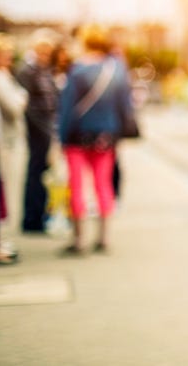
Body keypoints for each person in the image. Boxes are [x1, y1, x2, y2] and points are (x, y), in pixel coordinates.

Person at [57, 24, 133, 254]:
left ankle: (79, 240)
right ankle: (104, 238)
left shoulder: (78, 70)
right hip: (106, 137)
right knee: (104, 185)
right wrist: (119, 133)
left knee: (77, 186)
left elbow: (67, 109)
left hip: (77, 136)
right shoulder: (117, 70)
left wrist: (62, 138)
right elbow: (125, 107)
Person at [17, 28, 59, 233]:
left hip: (47, 128)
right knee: (36, 172)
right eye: (42, 51)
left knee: (44, 173)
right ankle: (32, 219)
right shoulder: (27, 70)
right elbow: (27, 105)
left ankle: (42, 215)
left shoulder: (45, 70)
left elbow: (53, 98)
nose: (45, 55)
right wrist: (45, 130)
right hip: (37, 131)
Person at [0, 33, 30, 229]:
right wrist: (21, 98)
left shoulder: (3, 75)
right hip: (2, 141)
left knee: (1, 190)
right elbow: (14, 107)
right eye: (6, 53)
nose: (10, 57)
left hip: (5, 139)